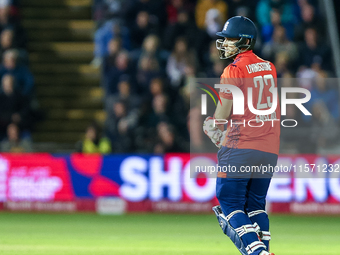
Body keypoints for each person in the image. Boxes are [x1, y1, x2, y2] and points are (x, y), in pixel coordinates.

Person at [203, 16, 280, 255]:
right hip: (269, 148)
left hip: (240, 147)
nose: (224, 43)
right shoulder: (269, 66)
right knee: (256, 207)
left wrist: (211, 125)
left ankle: (258, 253)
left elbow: (224, 111)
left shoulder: (233, 69)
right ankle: (263, 250)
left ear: (245, 41)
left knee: (231, 206)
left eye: (229, 39)